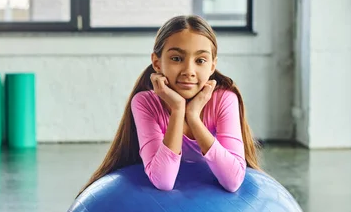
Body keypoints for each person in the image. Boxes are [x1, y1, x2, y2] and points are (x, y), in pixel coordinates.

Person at [78, 15, 261, 196]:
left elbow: (233, 181)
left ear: (212, 66)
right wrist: (178, 109)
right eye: (176, 58)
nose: (189, 71)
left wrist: (193, 118)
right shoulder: (145, 103)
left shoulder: (224, 100)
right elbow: (164, 181)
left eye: (200, 61)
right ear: (157, 63)